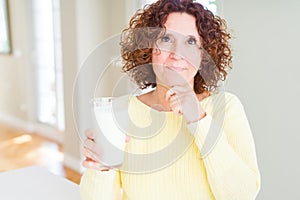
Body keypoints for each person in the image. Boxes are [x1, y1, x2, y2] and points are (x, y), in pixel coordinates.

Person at [80, 0, 261, 199]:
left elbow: (243, 195)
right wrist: (102, 169)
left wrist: (199, 119)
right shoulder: (119, 112)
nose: (177, 54)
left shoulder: (226, 108)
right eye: (166, 39)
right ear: (148, 49)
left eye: (191, 41)